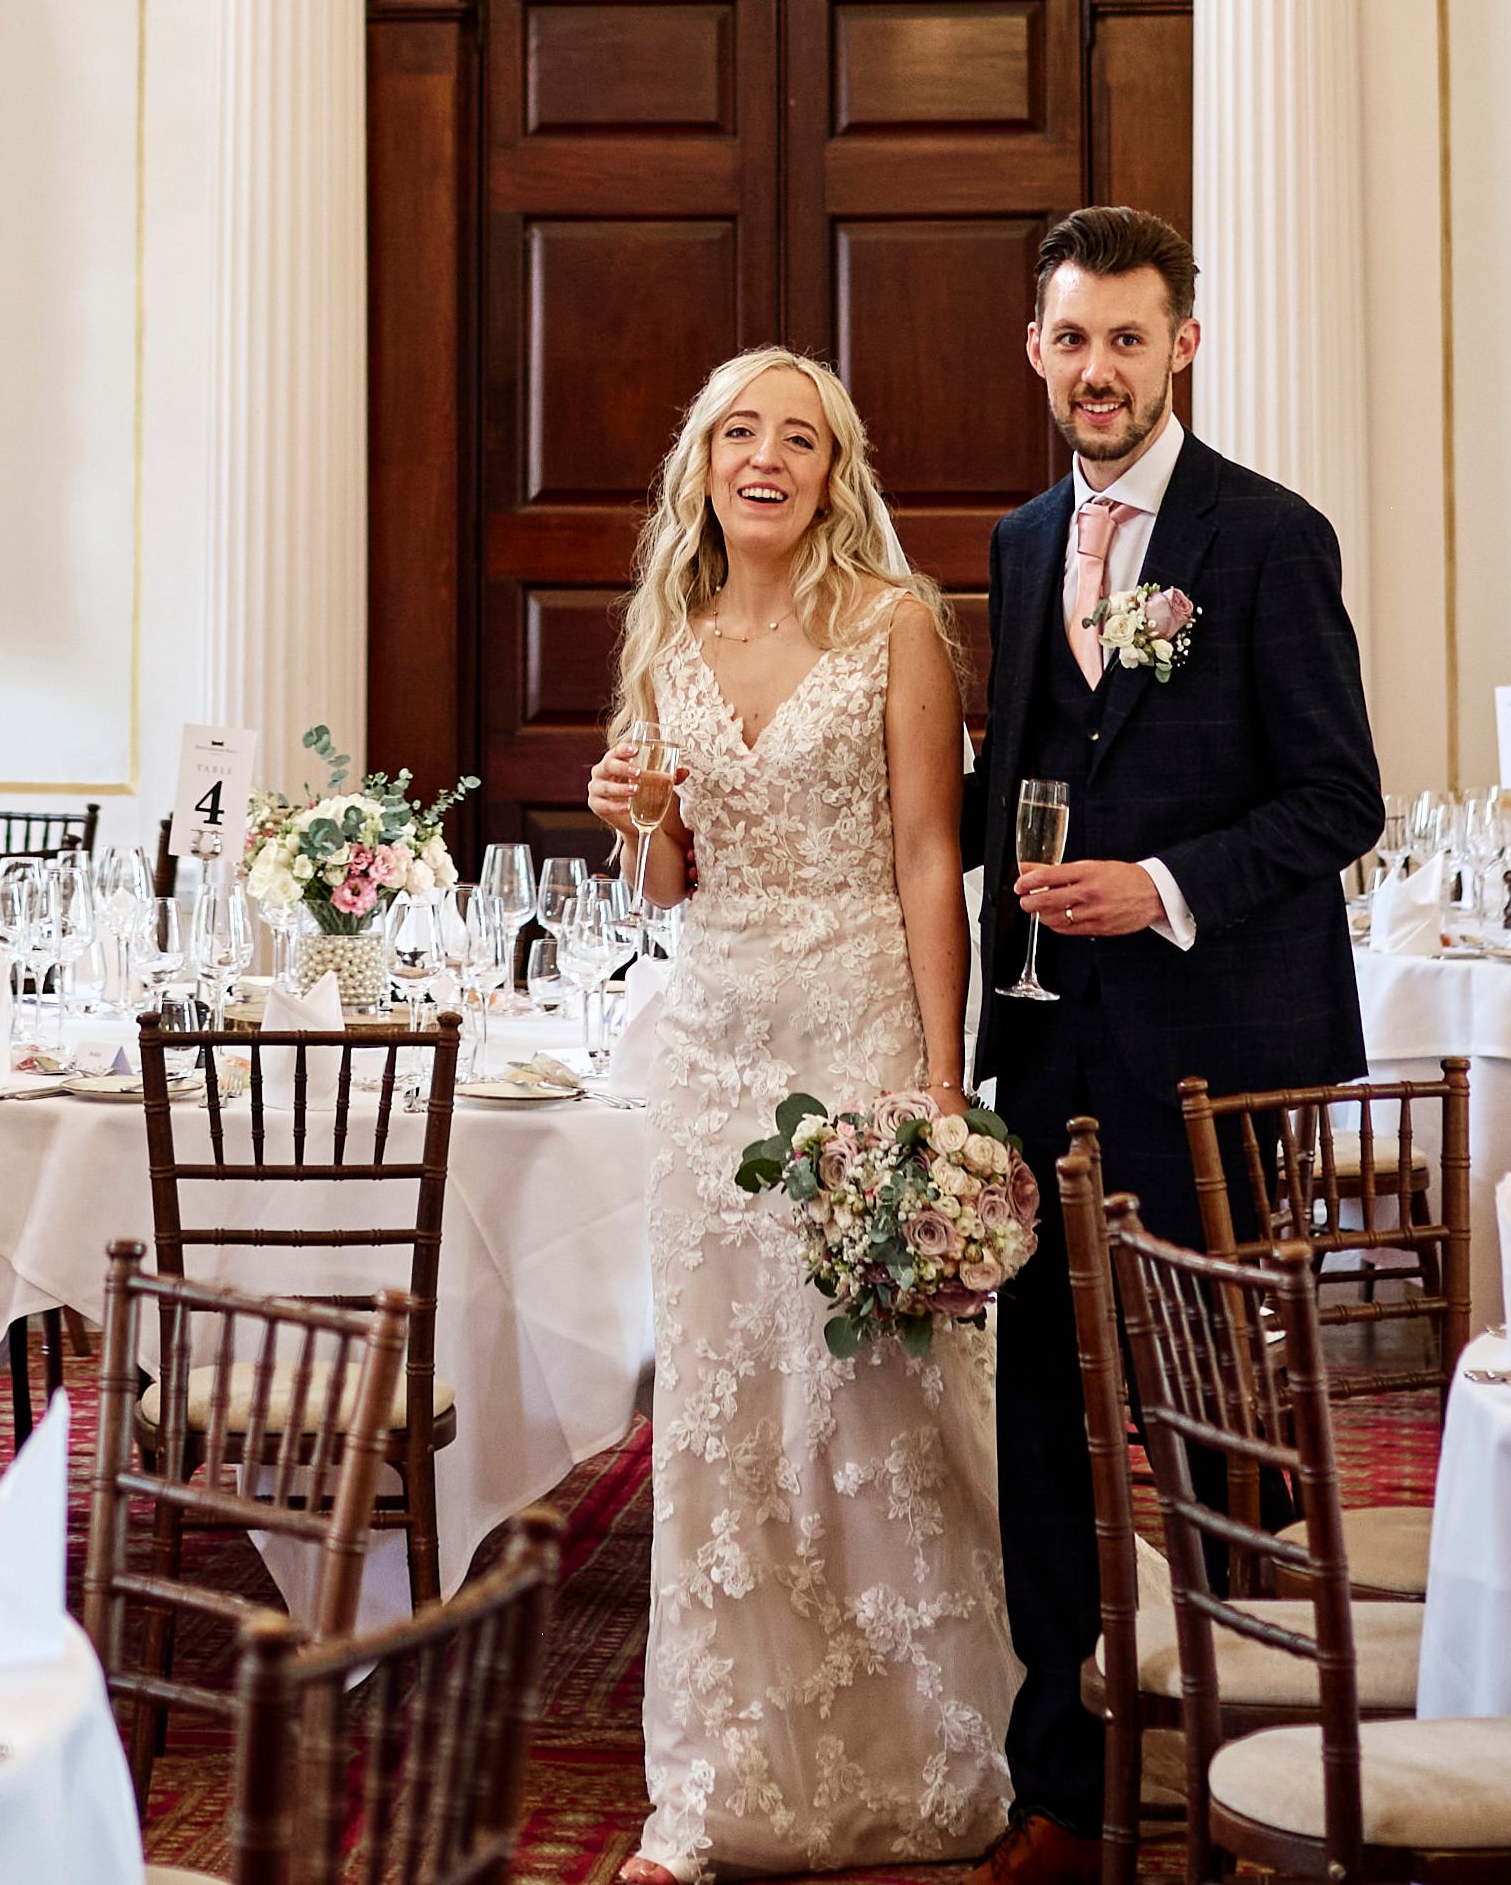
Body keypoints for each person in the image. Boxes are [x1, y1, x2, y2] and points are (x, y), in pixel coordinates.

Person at [968, 203, 1385, 1885]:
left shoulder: (1268, 537)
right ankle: (1068, 1778)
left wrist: (1154, 887)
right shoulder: (1010, 544)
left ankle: (1256, 1761)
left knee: (1221, 1426)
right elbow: (1006, 783)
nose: (1096, 368)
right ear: (1035, 348)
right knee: (1043, 1427)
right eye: (1069, 338)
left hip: (1219, 1066)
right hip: (1047, 1066)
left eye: (1126, 337)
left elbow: (1335, 797)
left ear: (1181, 346)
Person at [585, 347, 1014, 1883]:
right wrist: (640, 830)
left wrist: (938, 1084)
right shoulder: (665, 644)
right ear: (701, 461)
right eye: (739, 434)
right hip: (707, 1055)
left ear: (836, 475)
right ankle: (713, 1788)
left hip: (855, 1044)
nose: (765, 458)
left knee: (871, 1405)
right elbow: (668, 891)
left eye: (800, 440)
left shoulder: (897, 628)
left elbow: (922, 860)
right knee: (723, 1419)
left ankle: (924, 1749)